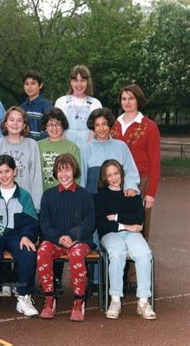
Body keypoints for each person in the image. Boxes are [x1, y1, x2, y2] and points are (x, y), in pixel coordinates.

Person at [111, 84, 161, 295]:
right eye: (123, 98)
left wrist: (151, 193)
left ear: (138, 100)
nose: (127, 102)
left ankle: (134, 278)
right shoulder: (114, 125)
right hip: (117, 182)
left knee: (139, 228)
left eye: (131, 98)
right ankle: (118, 274)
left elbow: (155, 162)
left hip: (141, 181)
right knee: (118, 226)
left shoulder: (149, 126)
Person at [94, 160, 156, 320]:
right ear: (104, 178)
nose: (114, 178)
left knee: (144, 253)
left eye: (116, 173)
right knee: (117, 252)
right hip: (111, 234)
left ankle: (143, 301)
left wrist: (116, 217)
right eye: (109, 175)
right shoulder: (100, 197)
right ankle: (115, 300)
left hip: (130, 233)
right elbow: (102, 224)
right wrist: (125, 226)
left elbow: (138, 219)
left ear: (121, 174)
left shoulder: (132, 193)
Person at [0, 155, 39, 317]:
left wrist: (27, 235)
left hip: (17, 236)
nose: (4, 175)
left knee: (28, 252)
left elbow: (31, 221)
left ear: (14, 172)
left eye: (7, 171)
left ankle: (24, 296)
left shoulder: (24, 195)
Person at [37, 153, 95, 322]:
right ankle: (49, 299)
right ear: (55, 172)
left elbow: (89, 223)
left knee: (76, 254)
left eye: (67, 169)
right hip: (55, 240)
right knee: (42, 252)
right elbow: (45, 223)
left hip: (80, 240)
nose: (64, 174)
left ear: (74, 170)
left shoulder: (85, 195)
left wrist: (71, 236)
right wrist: (59, 238)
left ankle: (79, 302)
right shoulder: (48, 195)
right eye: (60, 170)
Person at [0, 106, 43, 212]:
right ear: (5, 123)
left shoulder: (32, 145)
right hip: (2, 202)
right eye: (11, 119)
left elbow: (36, 177)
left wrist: (36, 206)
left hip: (25, 203)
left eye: (19, 120)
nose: (15, 123)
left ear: (24, 125)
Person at [80, 108, 140, 196]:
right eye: (97, 125)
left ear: (110, 125)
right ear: (93, 128)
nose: (101, 128)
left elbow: (131, 171)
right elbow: (82, 178)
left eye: (104, 124)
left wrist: (131, 186)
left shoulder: (121, 146)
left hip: (118, 197)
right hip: (94, 197)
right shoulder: (85, 148)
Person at [54, 65, 102, 150]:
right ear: (70, 82)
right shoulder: (61, 102)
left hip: (89, 149)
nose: (79, 84)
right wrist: (68, 148)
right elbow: (58, 128)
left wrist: (86, 148)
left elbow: (96, 130)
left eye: (82, 80)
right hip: (65, 149)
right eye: (75, 80)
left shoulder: (95, 103)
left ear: (88, 82)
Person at [20, 69, 53, 141]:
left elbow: (50, 130)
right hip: (25, 147)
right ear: (23, 87)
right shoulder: (21, 108)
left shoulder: (47, 106)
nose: (29, 87)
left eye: (33, 83)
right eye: (27, 84)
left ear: (40, 85)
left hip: (41, 147)